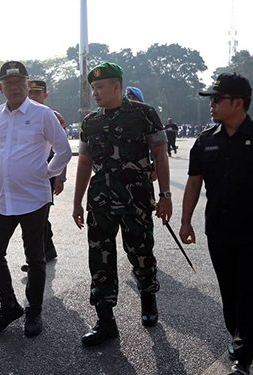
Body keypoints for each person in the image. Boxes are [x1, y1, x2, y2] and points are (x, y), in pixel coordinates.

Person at [179, 73, 253, 375]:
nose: (212, 105)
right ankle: (238, 335)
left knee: (249, 290)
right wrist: (185, 221)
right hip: (219, 228)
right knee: (229, 290)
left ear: (238, 102)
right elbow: (194, 183)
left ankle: (242, 356)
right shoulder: (205, 141)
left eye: (218, 99)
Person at [73, 62, 171, 346]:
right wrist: (77, 201)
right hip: (100, 200)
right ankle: (105, 321)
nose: (95, 92)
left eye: (100, 87)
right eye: (93, 87)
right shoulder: (90, 122)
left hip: (136, 199)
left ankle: (148, 297)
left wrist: (165, 195)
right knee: (99, 258)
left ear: (117, 86)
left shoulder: (144, 114)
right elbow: (84, 161)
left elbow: (160, 153)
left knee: (141, 251)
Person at [0, 61, 71, 338]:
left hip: (34, 199)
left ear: (28, 84)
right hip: (3, 199)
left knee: (35, 258)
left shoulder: (43, 114)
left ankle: (34, 310)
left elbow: (64, 150)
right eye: (9, 83)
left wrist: (47, 173)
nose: (15, 87)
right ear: (0, 87)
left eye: (20, 82)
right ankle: (9, 305)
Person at [19, 79, 67, 273]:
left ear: (46, 95)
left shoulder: (52, 116)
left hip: (46, 174)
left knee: (39, 217)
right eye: (30, 93)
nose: (33, 97)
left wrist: (59, 178)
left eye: (37, 93)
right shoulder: (20, 113)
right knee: (37, 218)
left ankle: (38, 256)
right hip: (25, 177)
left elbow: (61, 150)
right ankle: (47, 250)